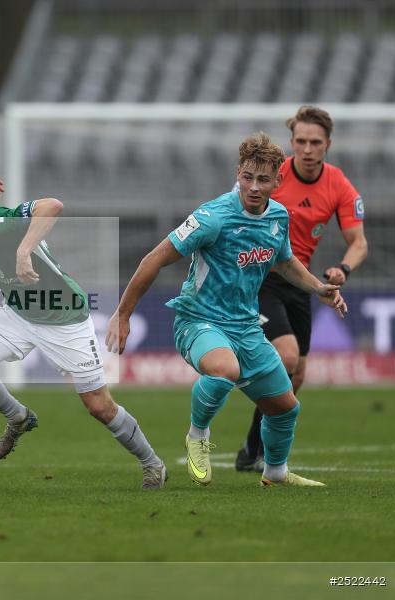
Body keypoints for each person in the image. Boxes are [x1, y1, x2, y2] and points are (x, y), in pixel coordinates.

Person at [106, 132, 347, 488]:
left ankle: (276, 472)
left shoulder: (278, 216)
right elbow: (154, 258)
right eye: (247, 177)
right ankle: (197, 435)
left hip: (246, 327)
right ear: (238, 172)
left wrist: (318, 288)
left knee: (285, 407)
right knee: (224, 370)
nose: (253, 186)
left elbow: (284, 261)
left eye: (263, 179)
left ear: (278, 180)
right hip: (199, 321)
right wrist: (123, 314)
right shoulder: (212, 217)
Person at [0, 173, 167, 490]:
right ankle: (18, 418)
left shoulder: (1, 225)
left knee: (99, 406)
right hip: (18, 313)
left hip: (64, 316)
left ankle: (152, 463)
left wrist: (24, 250)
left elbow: (52, 205)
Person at [235, 106, 368, 472]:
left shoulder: (338, 184)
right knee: (288, 355)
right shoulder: (272, 176)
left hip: (300, 279)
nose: (307, 149)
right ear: (292, 142)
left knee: (297, 375)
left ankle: (252, 449)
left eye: (315, 142)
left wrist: (342, 268)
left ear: (328, 144)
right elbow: (236, 212)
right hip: (260, 276)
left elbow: (359, 242)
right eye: (300, 142)